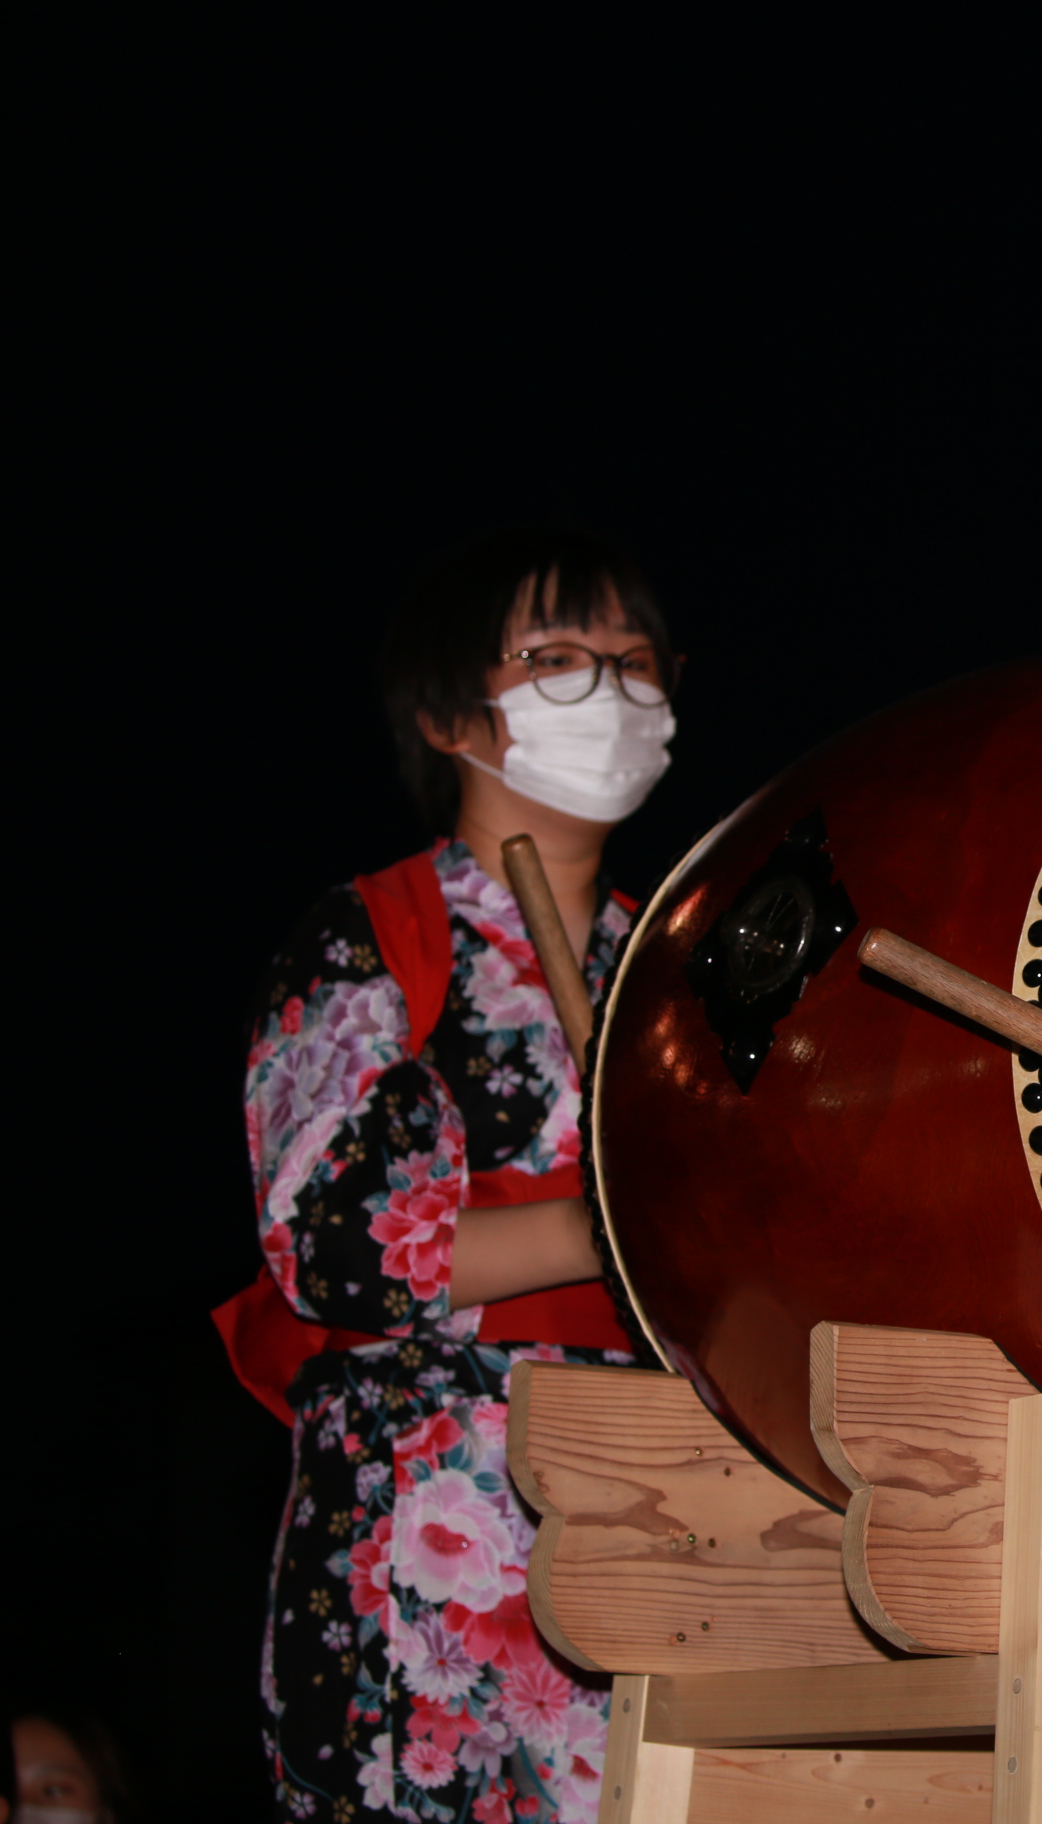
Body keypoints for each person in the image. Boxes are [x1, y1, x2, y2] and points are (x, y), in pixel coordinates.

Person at [225, 527, 680, 1821]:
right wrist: (614, 1228)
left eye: (636, 661)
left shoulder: (682, 968)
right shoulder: (375, 938)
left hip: (652, 1503)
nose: (610, 690)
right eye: (557, 658)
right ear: (446, 715)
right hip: (424, 1514)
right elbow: (342, 1243)